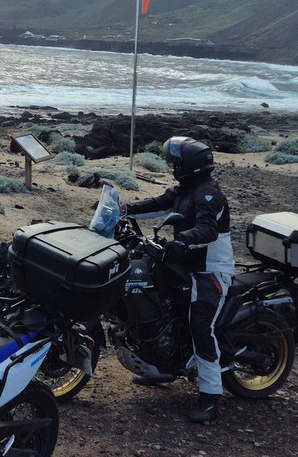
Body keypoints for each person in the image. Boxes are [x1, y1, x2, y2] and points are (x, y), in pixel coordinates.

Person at [124, 135, 234, 424]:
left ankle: (211, 396)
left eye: (176, 163)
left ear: (190, 165)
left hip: (210, 269)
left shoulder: (208, 194)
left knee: (200, 325)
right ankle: (160, 366)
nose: (173, 167)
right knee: (159, 303)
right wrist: (125, 209)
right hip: (185, 262)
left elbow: (207, 230)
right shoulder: (188, 188)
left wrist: (181, 240)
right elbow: (162, 202)